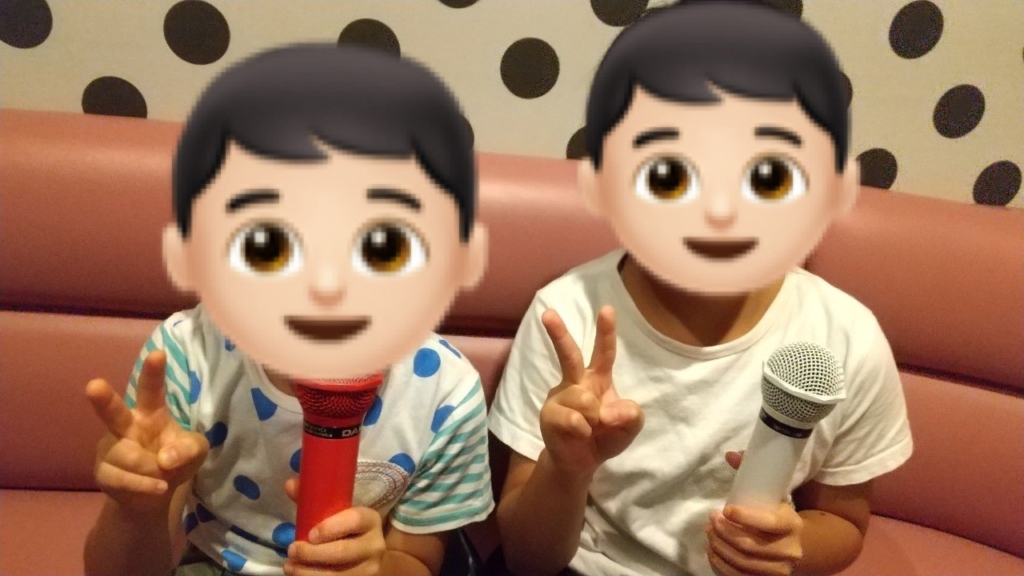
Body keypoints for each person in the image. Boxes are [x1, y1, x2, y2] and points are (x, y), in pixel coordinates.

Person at [487, 2, 913, 575]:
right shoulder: (567, 315)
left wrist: (788, 548)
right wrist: (566, 470)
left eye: (767, 176)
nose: (719, 211)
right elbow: (527, 557)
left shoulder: (847, 338)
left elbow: (844, 522)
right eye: (669, 175)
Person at [83, 43, 492, 576]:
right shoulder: (188, 355)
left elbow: (417, 559)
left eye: (381, 247)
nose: (327, 284)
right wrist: (136, 510)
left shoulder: (446, 392)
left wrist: (377, 568)